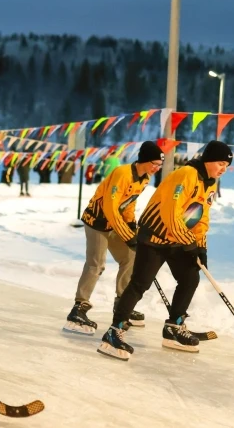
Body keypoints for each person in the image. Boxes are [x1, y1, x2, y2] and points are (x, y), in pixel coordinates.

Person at [98, 140, 231, 360]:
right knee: (141, 283)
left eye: (226, 165)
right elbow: (171, 213)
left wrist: (201, 247)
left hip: (177, 239)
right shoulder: (186, 175)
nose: (223, 169)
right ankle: (114, 331)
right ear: (208, 160)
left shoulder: (210, 183)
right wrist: (189, 243)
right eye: (220, 163)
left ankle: (173, 327)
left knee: (190, 278)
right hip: (154, 237)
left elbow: (202, 216)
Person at [64, 141, 164, 335]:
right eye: (155, 163)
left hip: (115, 222)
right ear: (144, 160)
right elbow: (110, 207)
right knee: (96, 264)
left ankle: (122, 304)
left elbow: (128, 205)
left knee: (130, 257)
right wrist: (126, 234)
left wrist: (132, 227)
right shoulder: (122, 173)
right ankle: (79, 308)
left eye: (159, 165)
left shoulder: (144, 179)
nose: (156, 168)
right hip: (97, 222)